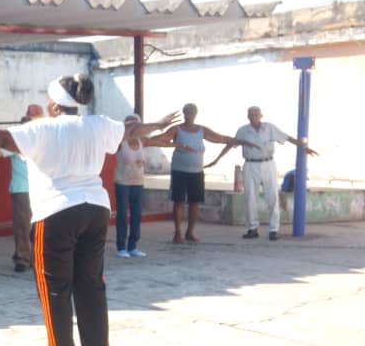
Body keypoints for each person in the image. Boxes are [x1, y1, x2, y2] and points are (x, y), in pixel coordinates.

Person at [0, 73, 180, 346]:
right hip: (96, 209)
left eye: (48, 100)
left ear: (56, 105)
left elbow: (1, 138)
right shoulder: (99, 124)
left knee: (56, 290)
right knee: (91, 285)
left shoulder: (41, 128)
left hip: (56, 213)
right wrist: (158, 124)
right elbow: (131, 129)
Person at [206, 106, 318, 240]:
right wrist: (217, 159)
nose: (253, 117)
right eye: (251, 115)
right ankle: (252, 229)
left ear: (261, 115)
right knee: (250, 198)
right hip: (250, 164)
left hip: (268, 164)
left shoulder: (269, 128)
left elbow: (287, 138)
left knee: (272, 197)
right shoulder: (243, 131)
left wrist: (304, 147)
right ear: (247, 116)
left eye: (256, 114)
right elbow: (231, 144)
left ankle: (273, 230)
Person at [148, 103, 254, 243]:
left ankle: (190, 232)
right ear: (184, 113)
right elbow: (162, 139)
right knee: (178, 201)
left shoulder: (202, 130)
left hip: (196, 172)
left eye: (192, 112)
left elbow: (219, 138)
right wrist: (144, 140)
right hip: (179, 170)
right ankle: (177, 233)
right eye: (187, 112)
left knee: (195, 202)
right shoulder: (176, 129)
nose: (190, 115)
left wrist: (240, 141)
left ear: (196, 114)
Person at [0, 104, 44, 272]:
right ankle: (22, 258)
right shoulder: (17, 140)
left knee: (40, 226)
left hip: (41, 188)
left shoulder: (41, 139)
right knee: (23, 225)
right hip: (22, 189)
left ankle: (37, 257)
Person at [113, 114, 197, 258]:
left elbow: (160, 142)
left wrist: (179, 145)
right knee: (122, 215)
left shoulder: (142, 141)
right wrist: (159, 124)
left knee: (136, 215)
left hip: (138, 183)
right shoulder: (120, 142)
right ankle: (121, 247)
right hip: (122, 183)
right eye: (132, 125)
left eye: (138, 125)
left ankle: (133, 246)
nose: (136, 128)